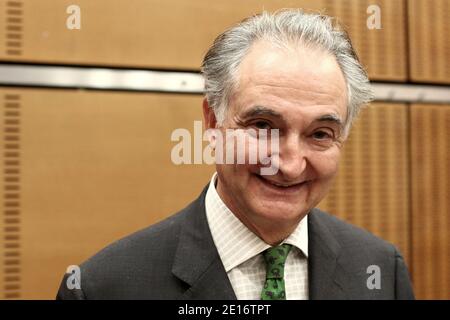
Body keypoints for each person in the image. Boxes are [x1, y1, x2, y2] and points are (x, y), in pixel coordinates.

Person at [56, 9, 414, 300]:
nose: (289, 164)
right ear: (213, 122)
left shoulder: (381, 270)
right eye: (262, 126)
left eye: (320, 134)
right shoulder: (104, 288)